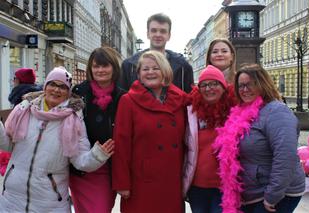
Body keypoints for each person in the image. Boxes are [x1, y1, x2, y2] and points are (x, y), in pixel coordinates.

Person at [0, 67, 114, 212]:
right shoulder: (24, 110)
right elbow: (8, 145)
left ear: (68, 92)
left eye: (62, 87)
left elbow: (79, 161)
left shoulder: (74, 120)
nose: (56, 90)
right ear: (45, 86)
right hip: (12, 200)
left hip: (50, 204)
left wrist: (97, 155)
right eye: (52, 84)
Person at [214, 64, 305, 213]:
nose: (244, 90)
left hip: (278, 194)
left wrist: (273, 195)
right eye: (241, 86)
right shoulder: (243, 111)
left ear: (262, 84)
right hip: (255, 192)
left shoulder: (277, 112)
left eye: (250, 84)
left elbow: (285, 156)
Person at [112, 50, 186, 213]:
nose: (150, 72)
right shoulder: (128, 101)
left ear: (165, 71)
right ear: (138, 74)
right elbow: (121, 144)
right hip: (141, 181)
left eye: (156, 68)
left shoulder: (180, 100)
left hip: (172, 179)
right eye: (145, 69)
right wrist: (122, 183)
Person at [69, 46, 125, 213]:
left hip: (108, 167)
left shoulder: (122, 96)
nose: (100, 70)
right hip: (81, 168)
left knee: (102, 208)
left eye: (105, 65)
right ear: (90, 69)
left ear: (114, 68)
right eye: (96, 66)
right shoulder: (79, 93)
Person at [183, 65, 237, 213]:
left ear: (223, 86)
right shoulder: (191, 112)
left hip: (224, 186)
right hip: (197, 186)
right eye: (204, 85)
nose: (209, 88)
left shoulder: (235, 111)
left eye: (214, 83)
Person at [120, 13, 194, 93]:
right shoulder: (129, 65)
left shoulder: (183, 67)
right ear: (148, 34)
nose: (158, 35)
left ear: (169, 35)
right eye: (154, 30)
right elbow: (122, 97)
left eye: (163, 31)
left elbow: (189, 99)